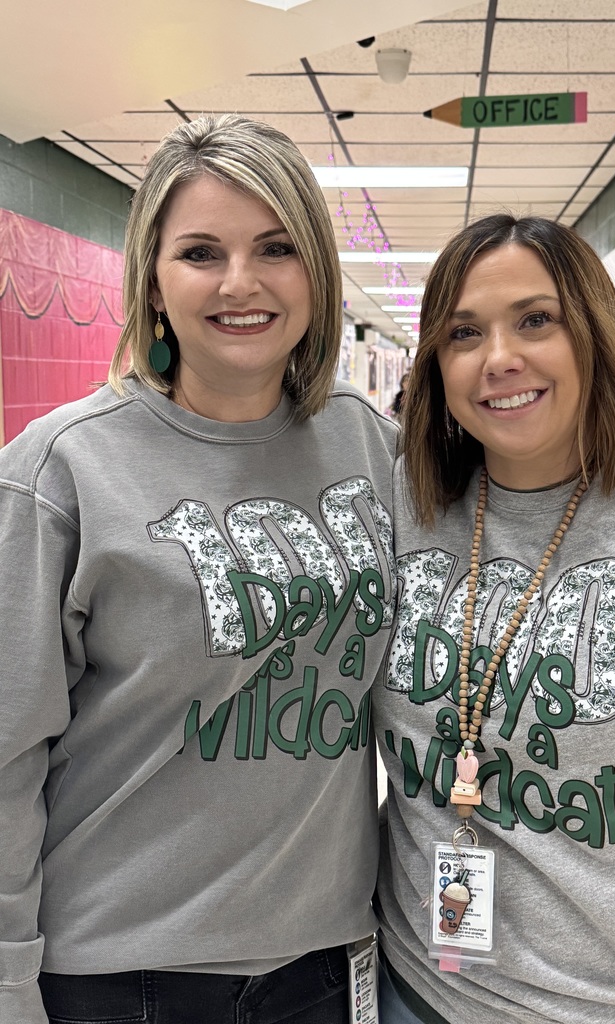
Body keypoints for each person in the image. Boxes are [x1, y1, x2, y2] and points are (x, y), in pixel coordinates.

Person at [0, 114, 397, 1023]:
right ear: (153, 280)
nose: (241, 283)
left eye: (275, 247)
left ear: (317, 274)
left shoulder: (367, 442)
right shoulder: (60, 470)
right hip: (121, 978)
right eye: (201, 253)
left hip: (324, 960)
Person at [373, 213, 615, 1024]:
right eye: (463, 333)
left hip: (605, 1008)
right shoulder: (410, 503)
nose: (500, 358)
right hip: (406, 981)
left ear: (592, 330)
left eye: (535, 320)